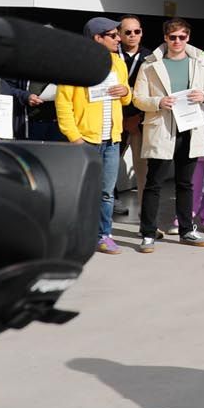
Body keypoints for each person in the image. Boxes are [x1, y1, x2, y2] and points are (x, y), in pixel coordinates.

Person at [130, 18, 204, 252]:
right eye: (172, 37)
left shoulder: (198, 61)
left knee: (185, 183)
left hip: (190, 127)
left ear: (188, 37)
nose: (177, 41)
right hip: (161, 128)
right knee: (154, 183)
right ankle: (148, 234)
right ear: (165, 38)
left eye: (182, 37)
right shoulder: (150, 64)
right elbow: (138, 98)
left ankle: (186, 230)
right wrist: (158, 101)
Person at [58, 17, 132, 256]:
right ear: (97, 38)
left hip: (111, 138)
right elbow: (63, 104)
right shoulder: (75, 64)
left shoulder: (118, 63)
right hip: (86, 139)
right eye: (113, 35)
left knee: (106, 192)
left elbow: (126, 99)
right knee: (81, 192)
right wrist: (75, 137)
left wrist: (126, 91)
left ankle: (103, 235)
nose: (119, 38)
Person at [114, 16, 149, 217]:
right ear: (119, 34)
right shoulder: (110, 55)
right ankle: (109, 204)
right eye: (128, 32)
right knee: (106, 168)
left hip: (139, 122)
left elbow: (154, 92)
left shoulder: (150, 57)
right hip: (113, 120)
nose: (133, 35)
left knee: (142, 171)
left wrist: (139, 117)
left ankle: (146, 217)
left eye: (137, 31)